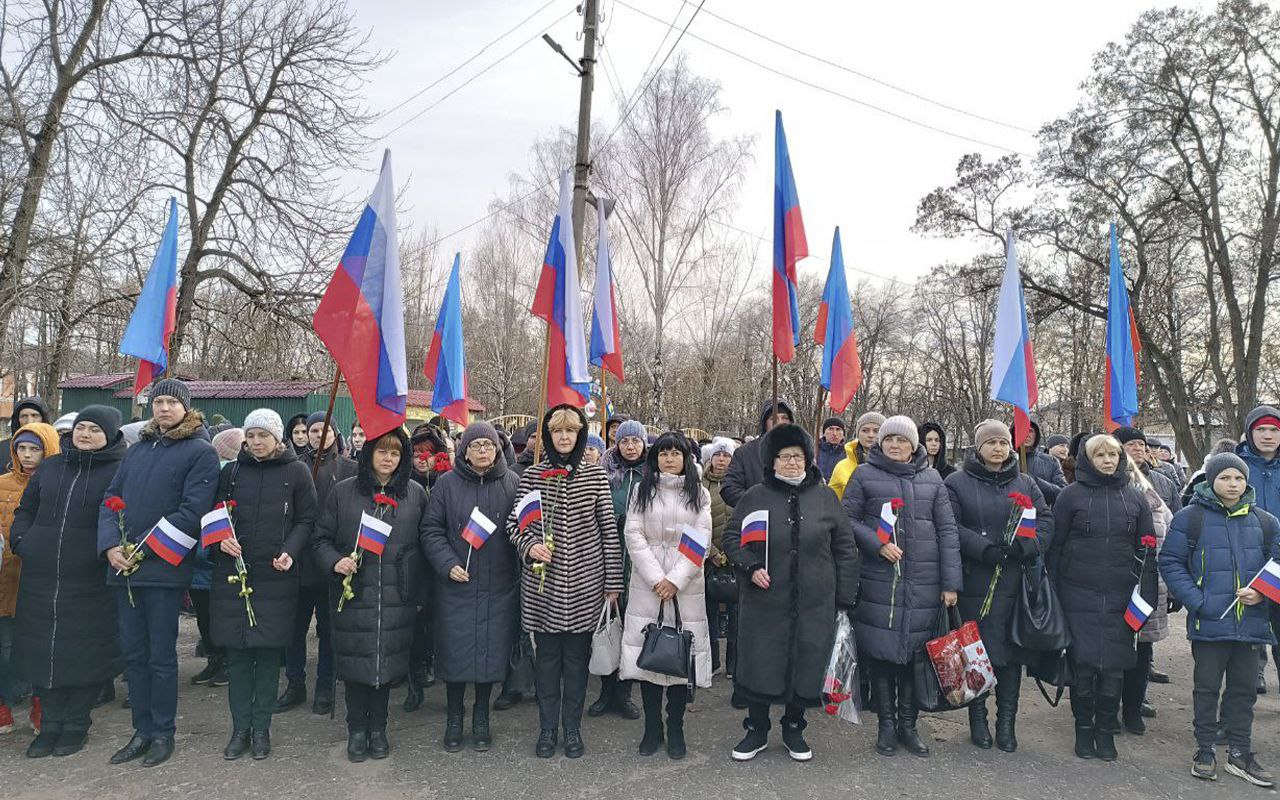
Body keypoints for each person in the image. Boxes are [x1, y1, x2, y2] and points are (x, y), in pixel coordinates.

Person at [97, 378, 219, 767]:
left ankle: (163, 732)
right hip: (124, 568)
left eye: (171, 402)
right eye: (157, 401)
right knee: (134, 655)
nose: (163, 408)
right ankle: (141, 730)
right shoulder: (137, 451)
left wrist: (142, 549)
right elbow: (110, 501)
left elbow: (192, 511)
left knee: (161, 657)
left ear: (186, 407)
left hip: (163, 568)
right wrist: (111, 546)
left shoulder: (200, 451)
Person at [723, 424, 858, 762]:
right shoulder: (755, 495)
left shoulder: (826, 498)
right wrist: (750, 566)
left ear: (808, 460)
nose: (792, 463)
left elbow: (845, 548)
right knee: (760, 664)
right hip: (765, 601)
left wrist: (843, 597)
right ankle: (755, 729)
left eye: (797, 457)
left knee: (806, 663)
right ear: (772, 462)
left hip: (815, 602)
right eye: (784, 457)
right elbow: (730, 538)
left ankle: (794, 728)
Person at [506, 404, 623, 759]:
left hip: (587, 584)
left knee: (576, 664)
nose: (564, 437)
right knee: (547, 664)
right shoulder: (533, 476)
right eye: (558, 431)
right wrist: (530, 546)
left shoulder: (594, 476)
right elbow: (515, 525)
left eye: (571, 431)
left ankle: (572, 729)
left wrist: (613, 582)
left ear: (580, 435)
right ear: (548, 435)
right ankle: (546, 729)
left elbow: (608, 532)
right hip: (544, 588)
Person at [844, 415, 961, 758]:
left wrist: (951, 583)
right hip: (882, 583)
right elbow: (846, 519)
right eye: (889, 439)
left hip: (924, 583)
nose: (895, 445)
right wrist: (876, 544)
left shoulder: (932, 478)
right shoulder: (864, 475)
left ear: (915, 445)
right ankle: (887, 726)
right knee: (882, 656)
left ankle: (909, 727)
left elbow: (948, 531)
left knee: (915, 658)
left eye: (902, 440)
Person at [9, 407, 123, 757]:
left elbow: (125, 516)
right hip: (41, 574)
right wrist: (22, 539)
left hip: (89, 577)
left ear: (110, 436)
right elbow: (26, 509)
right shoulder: (52, 466)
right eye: (80, 428)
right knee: (43, 651)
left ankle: (75, 724)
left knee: (83, 651)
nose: (85, 434)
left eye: (94, 430)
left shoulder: (120, 470)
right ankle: (51, 724)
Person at [1161, 452, 1279, 787]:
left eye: (1239, 478)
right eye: (1226, 478)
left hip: (1251, 624)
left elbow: (1278, 566)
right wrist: (1199, 602)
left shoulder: (1266, 522)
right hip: (1209, 624)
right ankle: (1205, 750)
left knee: (1243, 692)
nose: (1233, 484)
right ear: (1211, 480)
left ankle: (1240, 752)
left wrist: (1263, 594)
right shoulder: (1190, 518)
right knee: (1206, 689)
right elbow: (1171, 562)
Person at [313, 427, 427, 762]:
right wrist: (336, 562)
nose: (388, 458)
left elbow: (425, 540)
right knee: (355, 663)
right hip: (354, 592)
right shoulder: (343, 492)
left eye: (395, 453)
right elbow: (320, 539)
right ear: (369, 454)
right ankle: (356, 729)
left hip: (396, 593)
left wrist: (418, 587)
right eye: (382, 451)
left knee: (386, 665)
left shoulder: (415, 494)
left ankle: (378, 728)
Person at [211, 410, 317, 761]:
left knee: (269, 655)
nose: (256, 443)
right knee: (238, 656)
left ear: (277, 439)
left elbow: (306, 519)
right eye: (251, 436)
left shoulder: (296, 471)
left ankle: (261, 728)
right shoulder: (232, 472)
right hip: (234, 573)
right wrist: (220, 540)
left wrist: (290, 551)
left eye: (263, 436)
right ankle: (239, 727)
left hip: (275, 575)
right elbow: (215, 515)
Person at [945, 419, 1050, 753]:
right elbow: (951, 526)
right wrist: (985, 549)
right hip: (976, 576)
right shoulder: (957, 482)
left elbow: (1045, 520)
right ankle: (978, 718)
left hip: (1014, 581)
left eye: (1003, 443)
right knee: (977, 652)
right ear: (978, 447)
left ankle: (1007, 721)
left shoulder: (1026, 482)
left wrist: (1026, 545)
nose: (998, 449)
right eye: (991, 443)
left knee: (1011, 654)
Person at [1048, 434, 1153, 763]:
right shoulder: (1069, 496)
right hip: (1077, 594)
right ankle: (1083, 729)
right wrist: (1051, 595)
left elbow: (1148, 554)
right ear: (1086, 460)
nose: (1108, 461)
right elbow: (1055, 548)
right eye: (1100, 455)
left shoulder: (1136, 499)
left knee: (1114, 670)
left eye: (1113, 455)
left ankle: (1106, 731)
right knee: (1084, 668)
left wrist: (1145, 600)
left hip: (1122, 596)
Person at [421, 422, 519, 753]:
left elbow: (521, 528)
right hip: (456, 585)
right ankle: (454, 716)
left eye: (488, 446)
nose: (481, 451)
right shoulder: (447, 484)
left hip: (498, 585)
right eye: (475, 446)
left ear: (497, 450)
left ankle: (481, 717)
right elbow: (431, 530)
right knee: (455, 654)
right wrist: (448, 564)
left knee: (489, 656)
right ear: (463, 450)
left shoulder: (512, 483)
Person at [619, 432, 713, 760]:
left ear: (686, 458)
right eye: (663, 453)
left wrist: (674, 580)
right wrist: (657, 578)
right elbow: (634, 534)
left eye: (676, 453)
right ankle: (651, 728)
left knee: (678, 657)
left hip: (685, 586)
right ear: (654, 458)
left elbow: (700, 537)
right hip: (648, 584)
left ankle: (675, 726)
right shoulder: (640, 491)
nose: (669, 459)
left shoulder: (699, 494)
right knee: (649, 656)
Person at [280, 413, 354, 716]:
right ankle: (295, 683)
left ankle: (325, 686)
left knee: (329, 630)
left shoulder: (350, 469)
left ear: (335, 433)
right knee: (294, 630)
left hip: (330, 562)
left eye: (324, 429)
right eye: (311, 430)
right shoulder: (296, 467)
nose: (317, 435)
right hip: (298, 561)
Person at [0, 421, 60, 739]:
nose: (26, 455)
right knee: (4, 646)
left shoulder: (59, 483)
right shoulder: (2, 484)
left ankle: (40, 704)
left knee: (40, 646)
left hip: (42, 578)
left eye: (34, 448)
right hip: (6, 575)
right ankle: (3, 706)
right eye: (21, 448)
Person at [591, 418, 648, 720]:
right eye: (624, 441)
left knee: (632, 630)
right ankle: (605, 690)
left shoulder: (651, 475)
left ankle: (625, 692)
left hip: (639, 564)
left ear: (643, 444)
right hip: (608, 559)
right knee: (607, 626)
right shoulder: (605, 472)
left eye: (635, 441)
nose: (629, 446)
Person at [1121, 450, 1173, 735]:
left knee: (1141, 652)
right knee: (1114, 651)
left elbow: (1170, 541)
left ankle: (1133, 706)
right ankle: (1109, 706)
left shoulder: (1156, 503)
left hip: (1148, 585)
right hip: (1113, 585)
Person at [190, 427, 245, 690]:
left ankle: (225, 661)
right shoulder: (204, 475)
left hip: (216, 557)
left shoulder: (233, 477)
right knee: (205, 615)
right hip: (201, 557)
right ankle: (215, 659)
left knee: (217, 615)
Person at [1236, 406, 1280, 694]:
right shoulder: (1235, 466)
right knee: (1247, 633)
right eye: (1261, 429)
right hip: (1245, 557)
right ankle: (1244, 698)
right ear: (1250, 432)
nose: (1267, 435)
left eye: (1274, 430)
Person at [701, 436, 737, 677]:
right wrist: (712, 553)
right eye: (718, 454)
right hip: (707, 559)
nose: (722, 459)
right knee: (708, 614)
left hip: (735, 558)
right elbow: (693, 523)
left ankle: (734, 665)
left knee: (736, 616)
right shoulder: (699, 485)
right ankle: (711, 662)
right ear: (710, 458)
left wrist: (733, 552)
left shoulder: (738, 484)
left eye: (726, 455)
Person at [721, 399, 796, 507]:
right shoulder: (744, 453)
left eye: (785, 418)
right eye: (773, 418)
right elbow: (729, 489)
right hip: (756, 519)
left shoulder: (801, 453)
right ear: (765, 423)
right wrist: (759, 502)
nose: (779, 422)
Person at [1115, 426, 1181, 514]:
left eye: (1141, 444)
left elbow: (1177, 517)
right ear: (1117, 449)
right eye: (1131, 444)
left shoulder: (1164, 482)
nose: (1138, 448)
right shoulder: (1108, 480)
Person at [828, 411, 885, 499]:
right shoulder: (842, 467)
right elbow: (829, 503)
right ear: (858, 434)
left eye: (876, 431)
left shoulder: (894, 465)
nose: (870, 435)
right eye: (865, 430)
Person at [0, 396, 50, 473]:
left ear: (43, 419)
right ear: (17, 420)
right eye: (24, 416)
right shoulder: (2, 448)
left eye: (34, 415)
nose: (29, 421)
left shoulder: (54, 448)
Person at [1025, 420, 1068, 506]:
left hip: (1041, 515)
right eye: (1022, 430)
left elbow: (1063, 494)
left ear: (1036, 435)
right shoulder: (1003, 461)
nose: (1026, 434)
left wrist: (1034, 480)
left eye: (1030, 431)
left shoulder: (1051, 462)